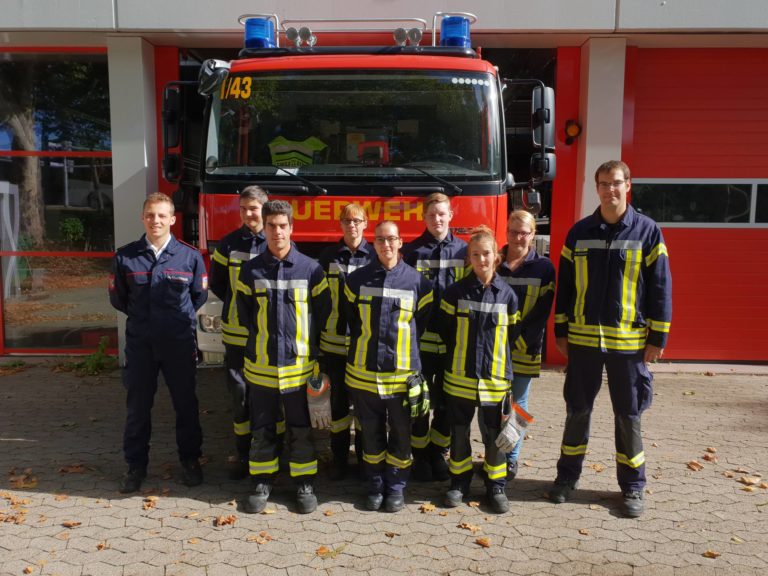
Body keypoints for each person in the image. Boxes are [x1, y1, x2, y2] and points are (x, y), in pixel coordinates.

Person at [549, 160, 672, 518]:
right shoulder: (579, 232)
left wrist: (658, 335)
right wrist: (561, 329)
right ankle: (565, 479)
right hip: (584, 342)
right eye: (603, 184)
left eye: (616, 183)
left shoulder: (648, 232)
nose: (610, 190)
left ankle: (633, 487)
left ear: (628, 185)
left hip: (629, 345)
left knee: (628, 416)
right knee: (577, 412)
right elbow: (567, 286)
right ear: (597, 187)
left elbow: (661, 287)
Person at [236, 199, 331, 514]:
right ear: (263, 228)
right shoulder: (251, 270)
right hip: (261, 367)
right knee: (262, 426)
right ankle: (263, 480)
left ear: (292, 228)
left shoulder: (311, 269)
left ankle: (304, 483)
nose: (277, 231)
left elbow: (323, 312)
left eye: (283, 225)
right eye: (271, 226)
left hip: (299, 368)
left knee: (300, 427)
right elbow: (246, 314)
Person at [109, 192, 208, 493]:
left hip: (178, 343)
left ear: (173, 220)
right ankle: (135, 466)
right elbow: (119, 299)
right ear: (143, 217)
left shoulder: (190, 257)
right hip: (141, 345)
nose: (156, 220)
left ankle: (190, 461)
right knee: (138, 408)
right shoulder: (125, 257)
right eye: (151, 214)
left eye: (162, 215)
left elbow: (198, 296)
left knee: (186, 405)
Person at [344, 221, 434, 512]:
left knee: (401, 434)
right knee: (368, 433)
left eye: (391, 239)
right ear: (374, 242)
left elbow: (421, 324)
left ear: (400, 242)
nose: (386, 245)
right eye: (380, 239)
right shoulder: (356, 280)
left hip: (402, 376)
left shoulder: (419, 283)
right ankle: (374, 485)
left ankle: (395, 487)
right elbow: (352, 321)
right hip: (364, 373)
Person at [437, 226, 519, 513]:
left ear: (496, 256)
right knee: (459, 433)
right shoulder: (454, 293)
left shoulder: (507, 295)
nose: (481, 259)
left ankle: (495, 486)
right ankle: (459, 482)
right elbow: (445, 330)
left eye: (486, 254)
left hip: (496, 380)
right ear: (468, 258)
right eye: (475, 254)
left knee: (495, 435)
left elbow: (513, 336)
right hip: (460, 378)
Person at [209, 186, 279, 479]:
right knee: (240, 395)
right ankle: (242, 454)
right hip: (237, 334)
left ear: (264, 209)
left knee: (269, 396)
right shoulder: (227, 245)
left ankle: (273, 453)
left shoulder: (276, 242)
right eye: (244, 209)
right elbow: (218, 285)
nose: (249, 214)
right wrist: (240, 307)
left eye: (253, 208)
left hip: (268, 335)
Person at [402, 193, 468, 482]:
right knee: (420, 401)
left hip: (455, 343)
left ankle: (438, 452)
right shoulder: (412, 252)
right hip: (422, 342)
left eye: (442, 214)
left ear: (451, 215)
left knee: (447, 403)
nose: (437, 219)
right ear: (424, 218)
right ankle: (419, 455)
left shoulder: (465, 252)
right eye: (431, 215)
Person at [495, 210, 555, 479]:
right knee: (495, 404)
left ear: (533, 235)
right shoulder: (494, 261)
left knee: (517, 405)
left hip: (524, 348)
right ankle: (494, 455)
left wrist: (518, 341)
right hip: (494, 348)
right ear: (506, 232)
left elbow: (541, 313)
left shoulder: (544, 268)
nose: (518, 237)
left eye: (525, 232)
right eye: (513, 231)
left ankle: (511, 458)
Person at [317, 203, 373, 480]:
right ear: (340, 224)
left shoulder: (375, 256)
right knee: (338, 405)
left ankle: (364, 458)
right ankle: (339, 458)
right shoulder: (327, 257)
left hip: (365, 345)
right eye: (347, 221)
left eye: (357, 220)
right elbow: (316, 300)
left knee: (363, 403)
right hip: (334, 344)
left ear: (366, 224)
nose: (352, 225)